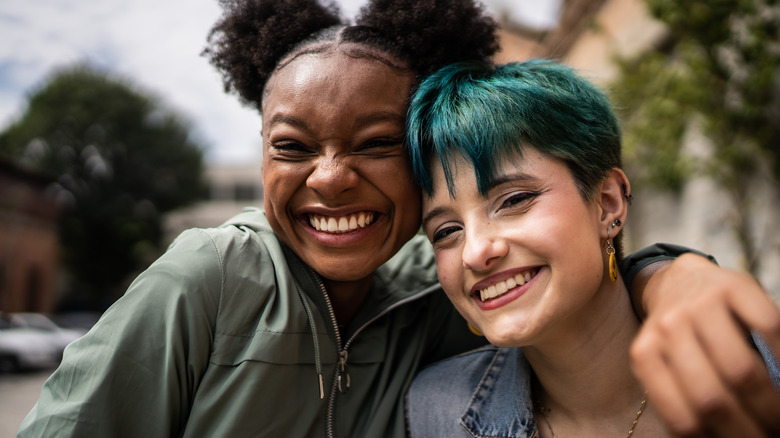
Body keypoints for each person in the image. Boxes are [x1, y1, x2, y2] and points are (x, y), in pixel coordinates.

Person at [15, 1, 779, 437]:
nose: (331, 176)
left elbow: (572, 280)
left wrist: (676, 275)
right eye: (292, 146)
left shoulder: (435, 295)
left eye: (376, 144)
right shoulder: (210, 278)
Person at [404, 59, 780, 437]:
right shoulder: (435, 412)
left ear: (607, 202)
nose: (474, 252)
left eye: (514, 200)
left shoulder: (761, 362)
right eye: (446, 231)